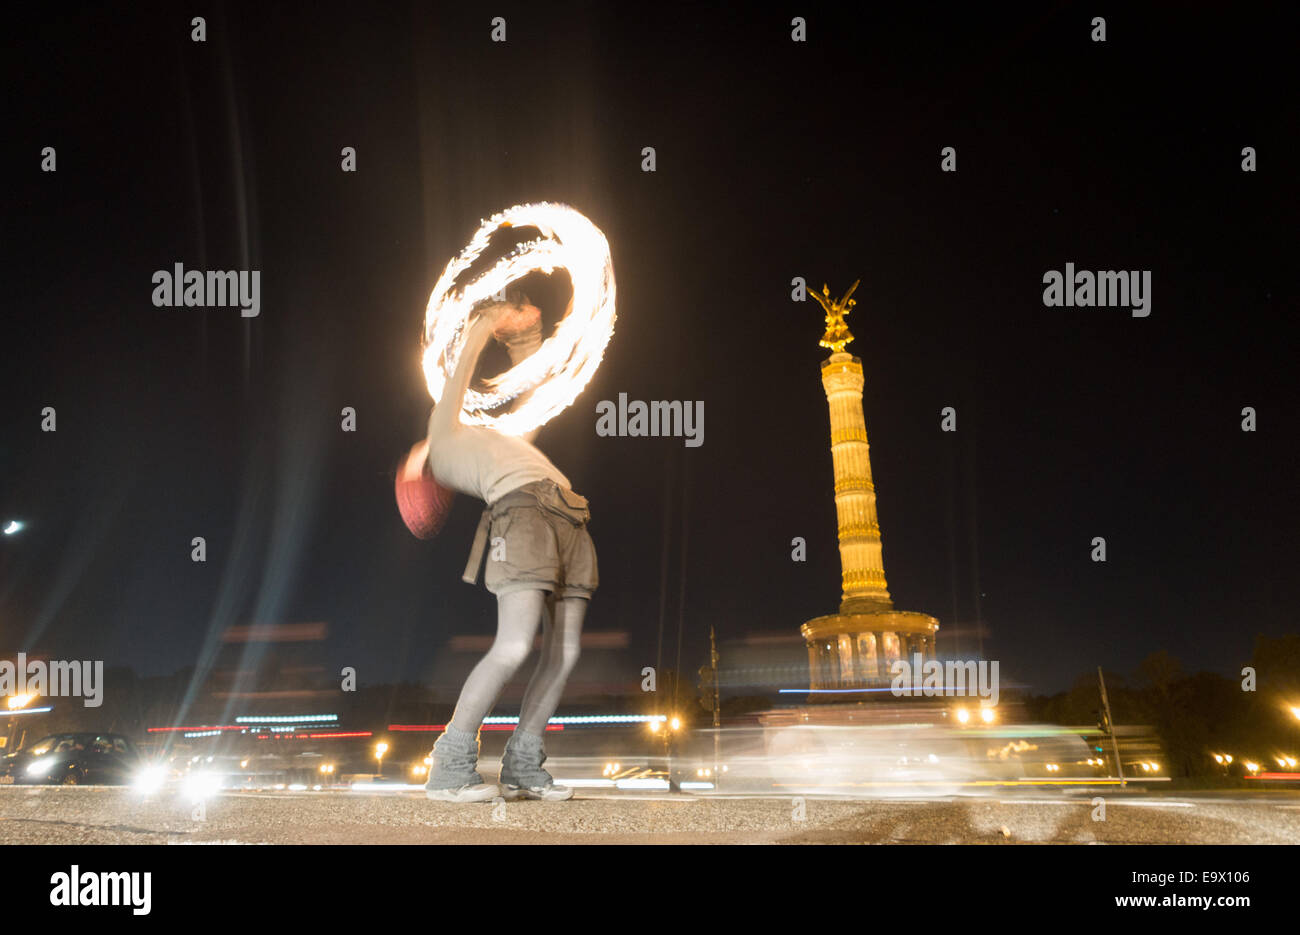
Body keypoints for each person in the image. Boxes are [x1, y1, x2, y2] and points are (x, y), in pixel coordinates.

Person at [409, 291, 597, 803]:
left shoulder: (502, 439)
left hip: (571, 516)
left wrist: (525, 340)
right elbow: (458, 378)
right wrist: (486, 321)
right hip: (525, 515)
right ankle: (449, 766)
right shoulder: (445, 441)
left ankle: (522, 766)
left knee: (566, 651)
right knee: (514, 644)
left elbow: (529, 403)